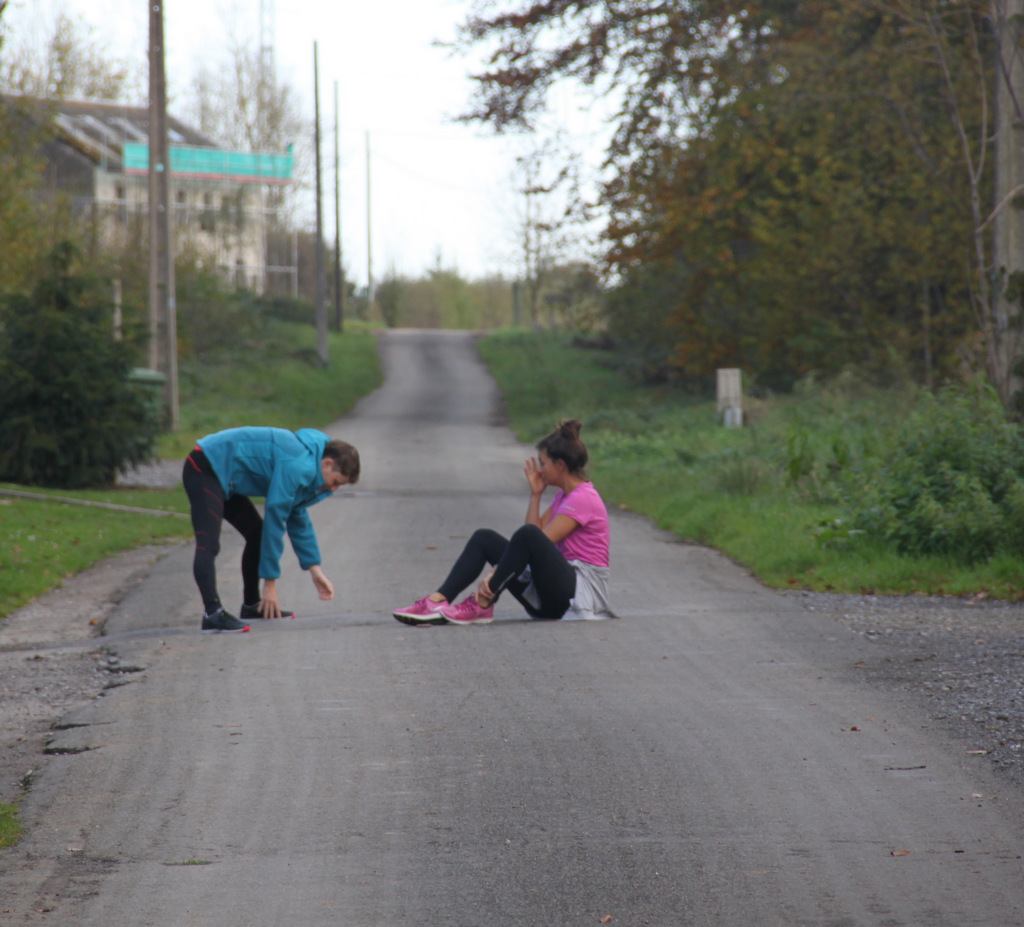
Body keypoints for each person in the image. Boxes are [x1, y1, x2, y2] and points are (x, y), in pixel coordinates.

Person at [393, 419, 612, 626]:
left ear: (560, 465)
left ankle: (482, 604)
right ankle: (438, 600)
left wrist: (495, 572)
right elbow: (534, 542)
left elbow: (535, 541)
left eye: (543, 464)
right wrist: (535, 495)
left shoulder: (584, 498)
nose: (540, 470)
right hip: (551, 598)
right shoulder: (564, 496)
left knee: (526, 536)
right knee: (484, 538)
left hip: (579, 599)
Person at [182, 426, 360, 633]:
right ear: (327, 464)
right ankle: (212, 613)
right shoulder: (298, 463)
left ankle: (251, 605)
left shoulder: (311, 465)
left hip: (226, 478)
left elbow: (297, 514)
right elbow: (276, 517)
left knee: (256, 535)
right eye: (336, 482)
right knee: (209, 543)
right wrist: (270, 582)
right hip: (206, 466)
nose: (334, 489)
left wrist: (315, 570)